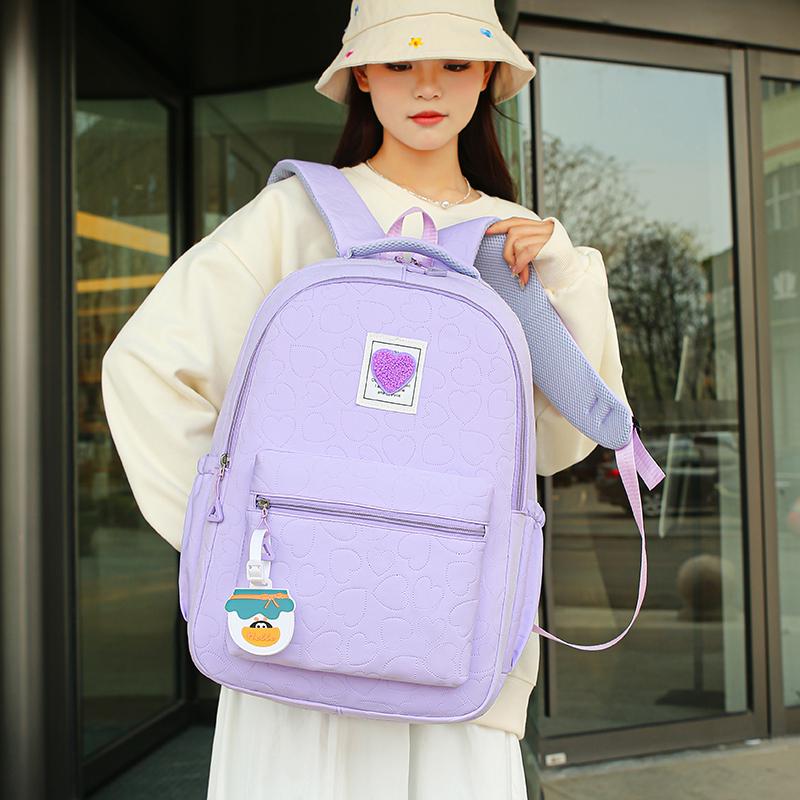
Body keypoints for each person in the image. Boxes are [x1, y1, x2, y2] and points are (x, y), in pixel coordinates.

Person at [101, 2, 629, 797]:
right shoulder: (295, 215)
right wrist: (228, 538)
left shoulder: (515, 240)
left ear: (488, 74)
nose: (428, 86)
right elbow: (146, 367)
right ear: (362, 78)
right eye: (399, 63)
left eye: (455, 63)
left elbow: (559, 446)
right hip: (297, 633)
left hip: (450, 634)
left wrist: (566, 276)